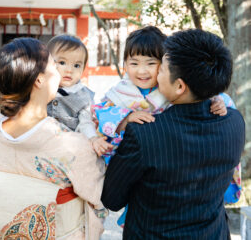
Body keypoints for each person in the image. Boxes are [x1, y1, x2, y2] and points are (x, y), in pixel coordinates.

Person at [101, 29, 245, 240]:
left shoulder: (145, 133)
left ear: (179, 86)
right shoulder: (234, 122)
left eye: (161, 69)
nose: (155, 74)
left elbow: (112, 199)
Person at [0, 38, 106, 239]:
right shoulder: (71, 143)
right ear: (39, 80)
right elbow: (98, 196)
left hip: (11, 228)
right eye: (55, 64)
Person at [47, 34, 111, 154]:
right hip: (43, 141)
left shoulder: (83, 96)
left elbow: (85, 123)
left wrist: (93, 138)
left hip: (68, 147)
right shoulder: (42, 87)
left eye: (76, 65)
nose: (69, 70)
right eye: (62, 62)